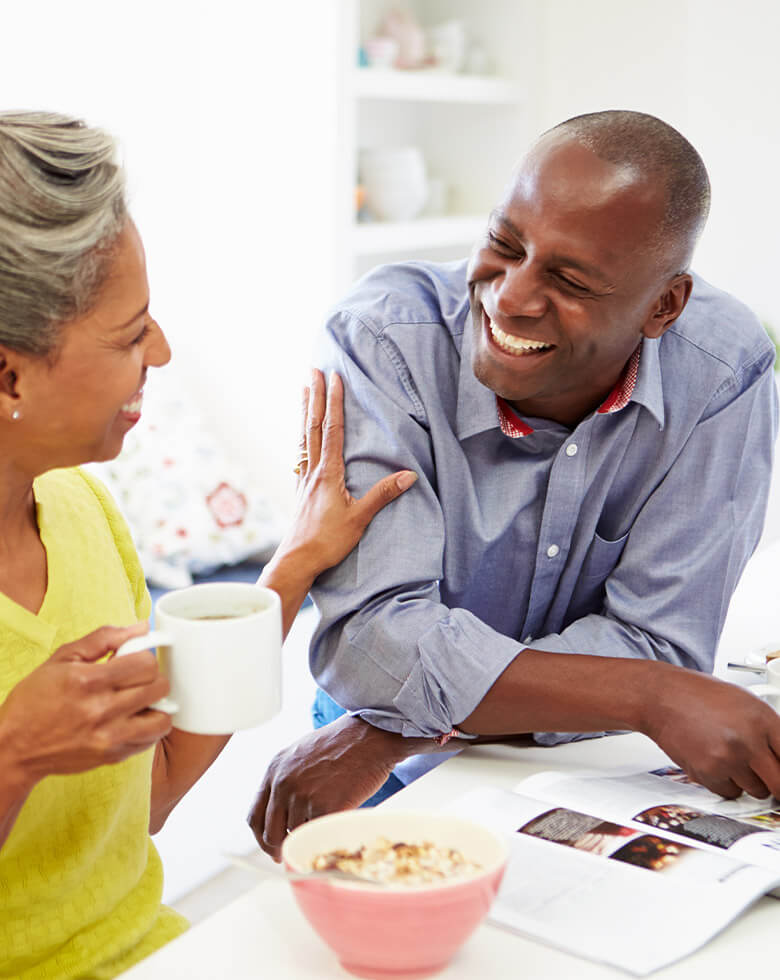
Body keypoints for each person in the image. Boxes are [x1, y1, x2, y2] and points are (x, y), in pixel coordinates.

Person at [0, 84, 415, 978]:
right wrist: (6, 759)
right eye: (130, 336)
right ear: (2, 378)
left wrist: (299, 562)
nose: (160, 353)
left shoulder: (78, 510)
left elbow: (144, 803)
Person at [249, 110, 780, 860]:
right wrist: (649, 696)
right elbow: (374, 648)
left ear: (664, 306)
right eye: (504, 244)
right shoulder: (380, 341)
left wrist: (386, 729)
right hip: (381, 765)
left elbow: (659, 639)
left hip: (539, 760)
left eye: (568, 280)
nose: (512, 298)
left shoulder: (725, 370)